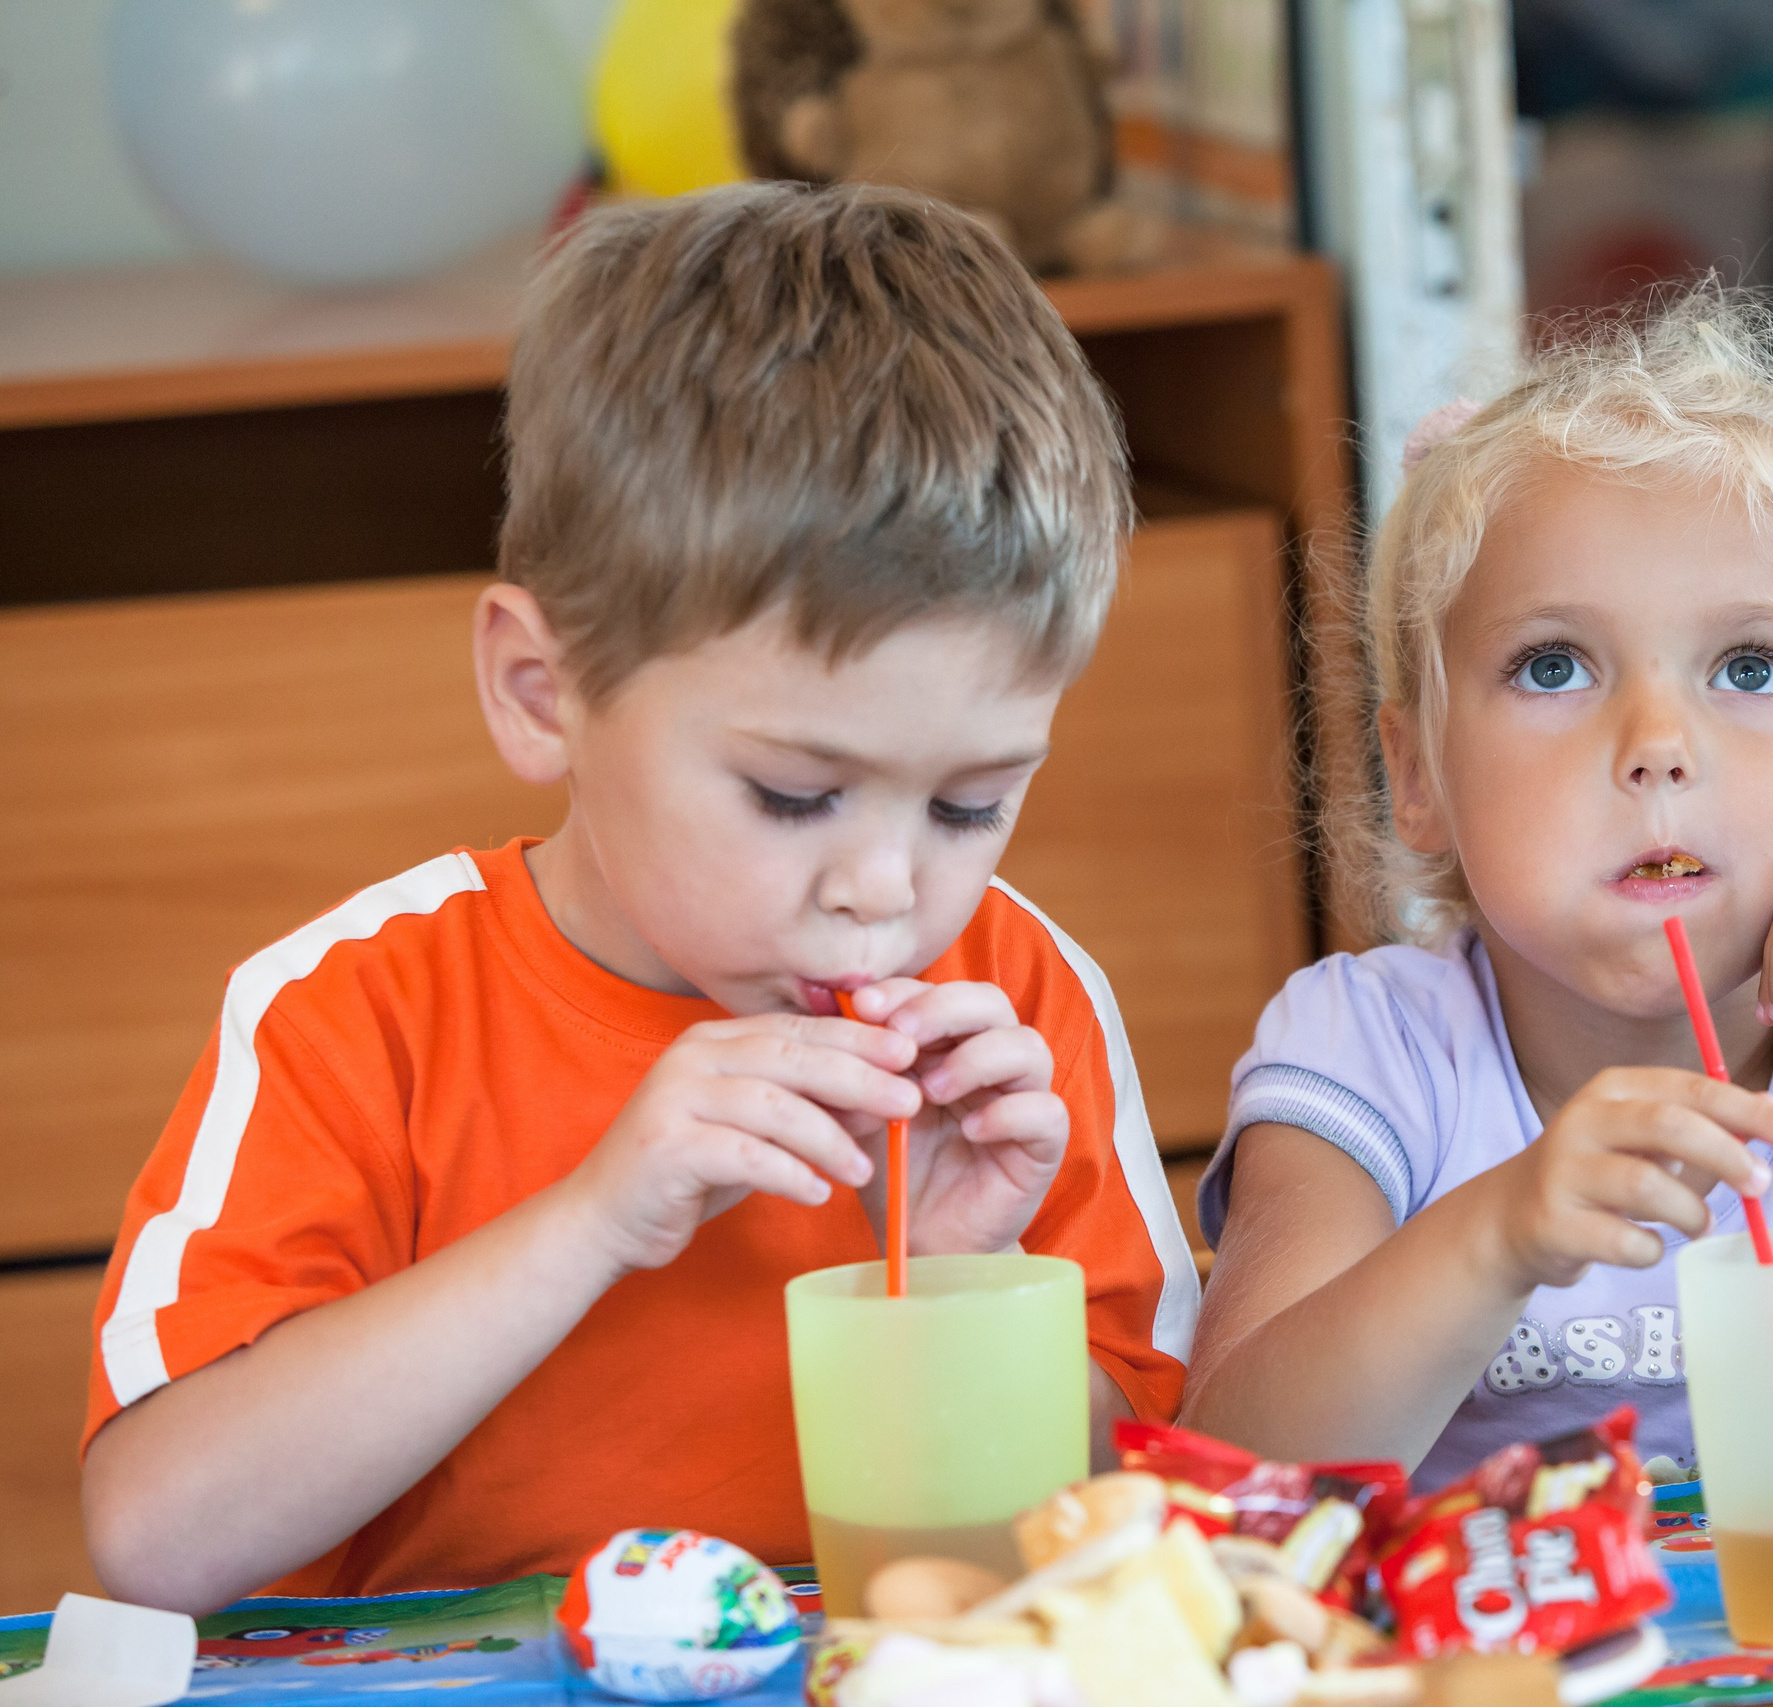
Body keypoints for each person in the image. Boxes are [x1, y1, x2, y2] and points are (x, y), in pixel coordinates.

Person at [80, 184, 1198, 1614]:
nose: (885, 889)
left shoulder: (1016, 995)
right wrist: (595, 1219)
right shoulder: (355, 1005)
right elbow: (156, 1537)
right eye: (796, 794)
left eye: (971, 803)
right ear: (544, 696)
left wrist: (964, 1282)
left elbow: (1162, 1522)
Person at [1180, 285, 1773, 1489]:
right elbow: (1229, 1475)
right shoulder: (1364, 1049)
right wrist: (1499, 1232)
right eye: (1551, 665)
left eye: (1749, 665)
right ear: (1417, 774)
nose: (1657, 741)